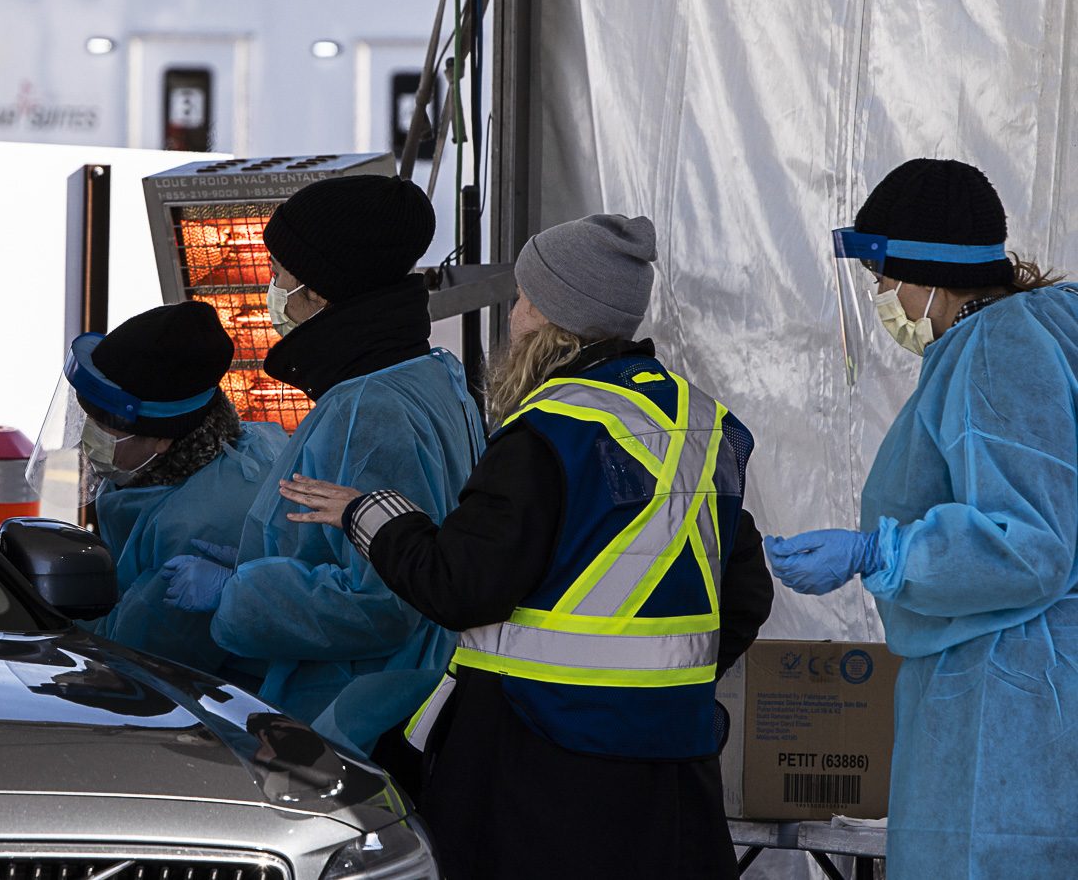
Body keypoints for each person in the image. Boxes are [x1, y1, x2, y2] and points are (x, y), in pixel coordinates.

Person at [281, 214, 774, 879]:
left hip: (537, 768)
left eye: (520, 298)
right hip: (672, 770)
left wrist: (370, 515)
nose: (513, 315)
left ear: (544, 312)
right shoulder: (700, 425)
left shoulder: (549, 430)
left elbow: (461, 585)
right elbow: (743, 596)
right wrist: (654, 687)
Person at [766, 158, 1078, 877]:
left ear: (924, 275)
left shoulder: (998, 350)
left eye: (883, 280)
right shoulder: (1031, 333)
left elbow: (1030, 545)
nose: (880, 296)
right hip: (1015, 695)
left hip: (1007, 705)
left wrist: (884, 554)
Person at [158, 174, 485, 774]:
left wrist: (236, 593)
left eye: (281, 271)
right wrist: (249, 562)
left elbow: (382, 602)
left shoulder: (369, 406)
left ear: (325, 289)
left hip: (354, 715)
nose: (272, 289)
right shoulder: (429, 373)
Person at [39, 301, 286, 679]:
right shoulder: (167, 468)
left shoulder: (201, 523)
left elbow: (136, 662)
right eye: (88, 416)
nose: (90, 435)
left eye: (107, 425)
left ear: (162, 439)